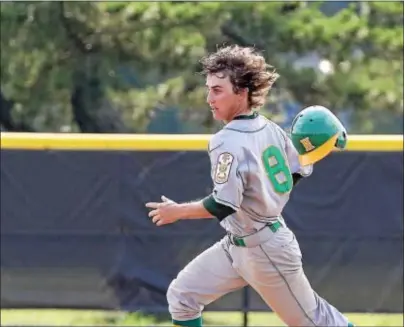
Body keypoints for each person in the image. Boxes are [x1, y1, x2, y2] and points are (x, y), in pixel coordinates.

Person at [145, 45, 354, 327]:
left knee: (317, 321)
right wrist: (317, 149)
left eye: (217, 90)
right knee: (183, 297)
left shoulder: (226, 141)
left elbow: (224, 203)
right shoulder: (270, 129)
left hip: (264, 249)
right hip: (238, 245)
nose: (209, 98)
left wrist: (177, 212)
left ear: (242, 91)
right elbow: (296, 171)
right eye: (208, 89)